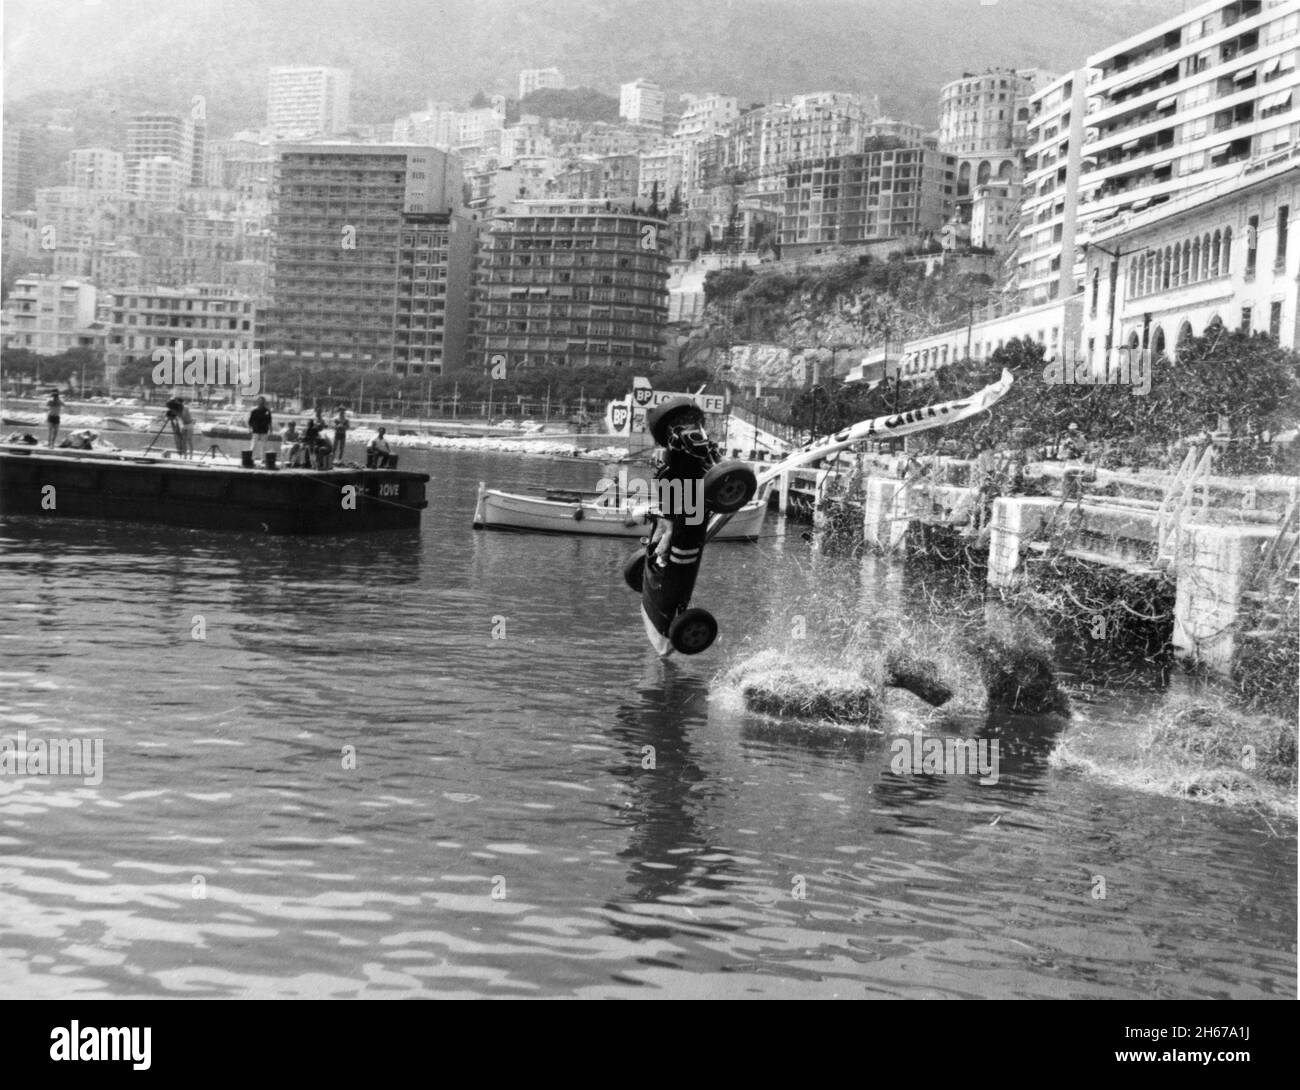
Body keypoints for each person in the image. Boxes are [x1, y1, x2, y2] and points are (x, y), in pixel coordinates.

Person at [248, 396, 272, 464]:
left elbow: (269, 421)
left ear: (264, 402)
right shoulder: (254, 411)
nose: (261, 403)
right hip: (255, 430)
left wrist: (271, 430)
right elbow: (250, 421)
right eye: (259, 401)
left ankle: (263, 459)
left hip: (264, 430)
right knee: (253, 445)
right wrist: (249, 429)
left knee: (264, 446)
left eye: (262, 401)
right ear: (257, 402)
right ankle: (251, 458)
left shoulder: (267, 411)